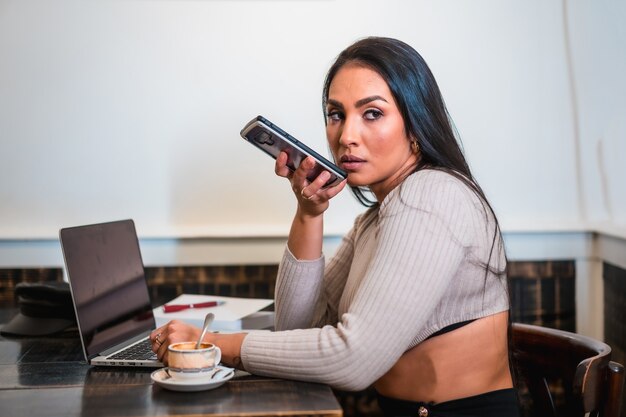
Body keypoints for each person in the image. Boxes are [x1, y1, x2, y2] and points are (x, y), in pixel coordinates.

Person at [151, 36, 520, 417]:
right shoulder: (374, 221)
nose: (346, 137)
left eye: (372, 113)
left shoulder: (432, 195)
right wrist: (309, 214)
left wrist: (211, 343)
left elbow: (353, 360)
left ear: (416, 124)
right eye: (336, 114)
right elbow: (294, 327)